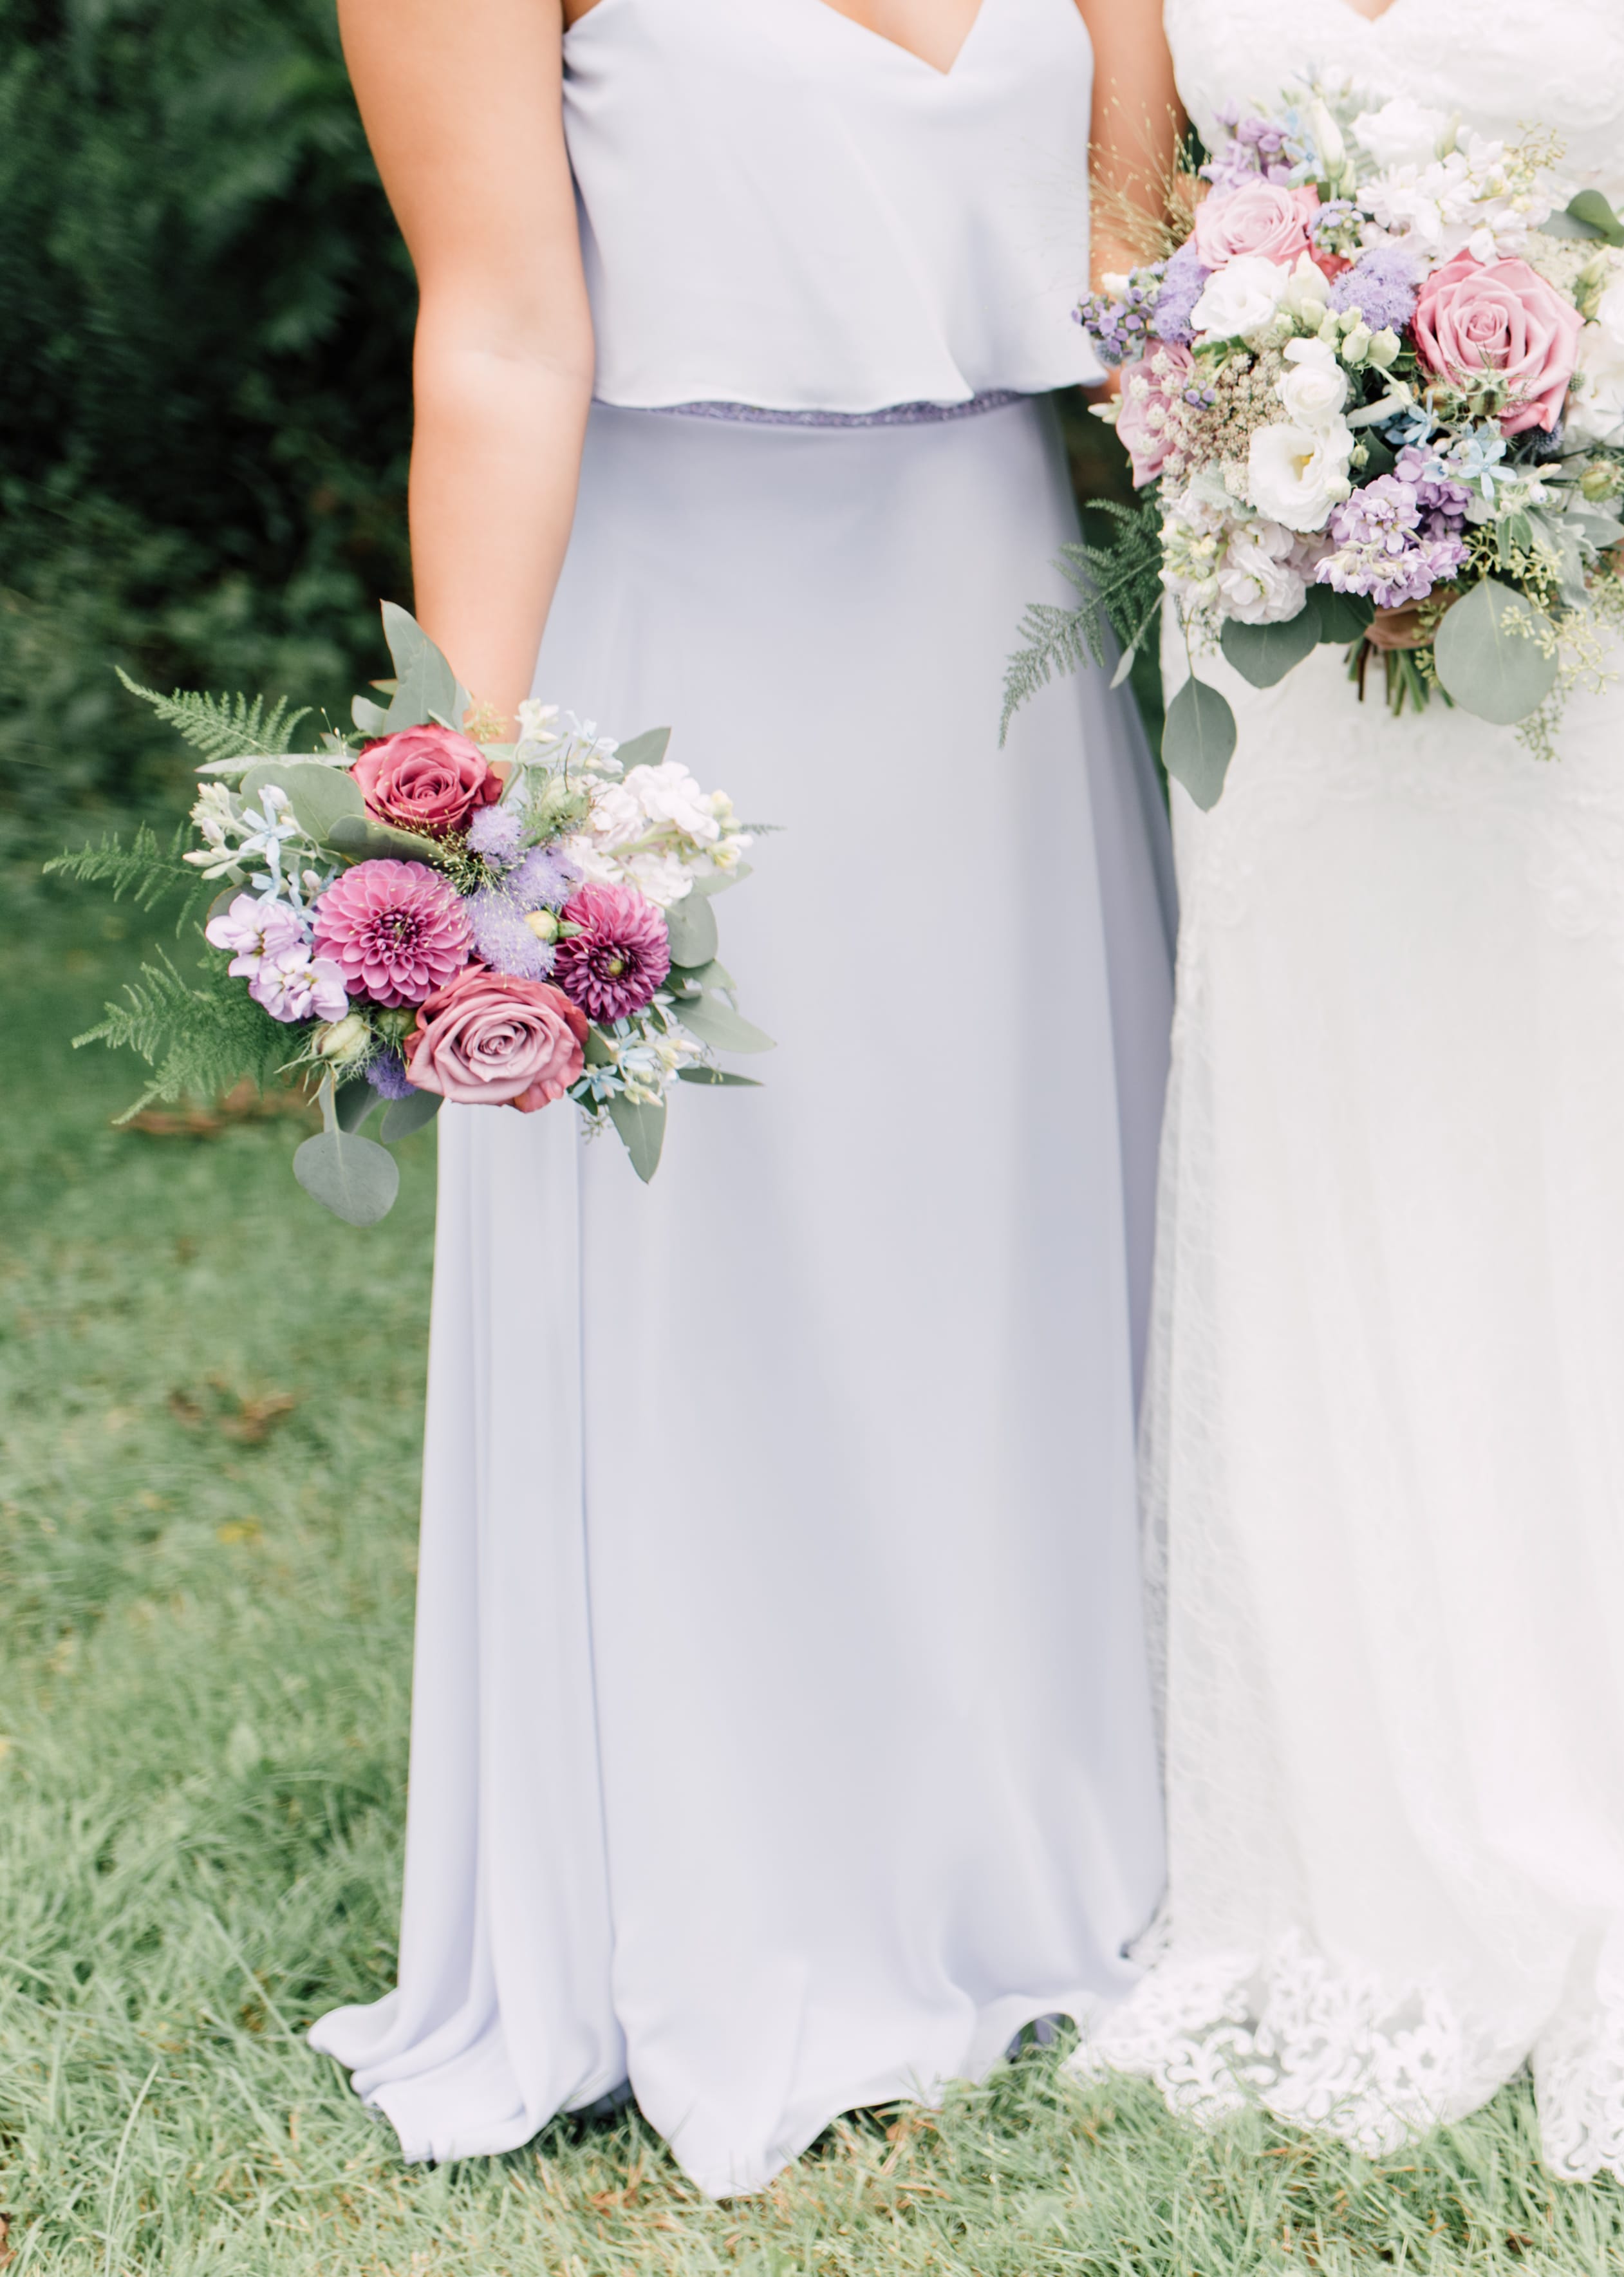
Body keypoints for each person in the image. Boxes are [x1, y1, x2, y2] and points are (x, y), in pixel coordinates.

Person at [1058, 0, 1624, 2207]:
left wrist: (1578, 504)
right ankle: (1359, 1820)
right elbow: (1127, 236)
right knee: (1338, 1155)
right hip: (1282, 620)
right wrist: (1267, 462)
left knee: (1609, 1167)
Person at [309, 0, 1176, 2197]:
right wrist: (467, 799)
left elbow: (1143, 259)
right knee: (728, 1253)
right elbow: (500, 330)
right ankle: (736, 1885)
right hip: (687, 630)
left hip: (994, 625)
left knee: (1005, 1233)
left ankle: (1046, 1845)